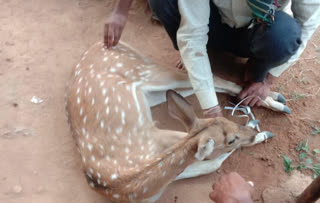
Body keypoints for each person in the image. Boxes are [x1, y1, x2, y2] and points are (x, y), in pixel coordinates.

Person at [104, 0, 320, 118]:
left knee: (283, 36)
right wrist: (211, 108)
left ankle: (258, 64)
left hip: (262, 30)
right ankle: (206, 55)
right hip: (215, 24)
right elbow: (193, 33)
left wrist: (268, 80)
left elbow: (307, 22)